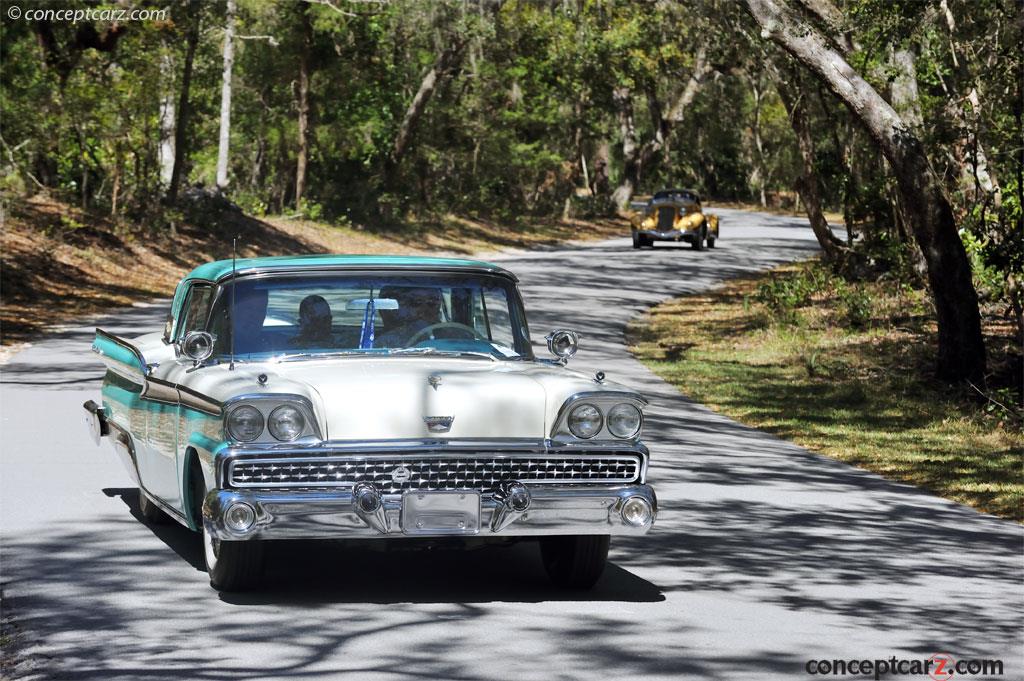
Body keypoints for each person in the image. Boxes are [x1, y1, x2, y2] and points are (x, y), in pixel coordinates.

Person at [376, 286, 442, 347]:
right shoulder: (387, 341)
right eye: (416, 302)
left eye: (432, 303)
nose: (424, 309)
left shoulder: (449, 335)